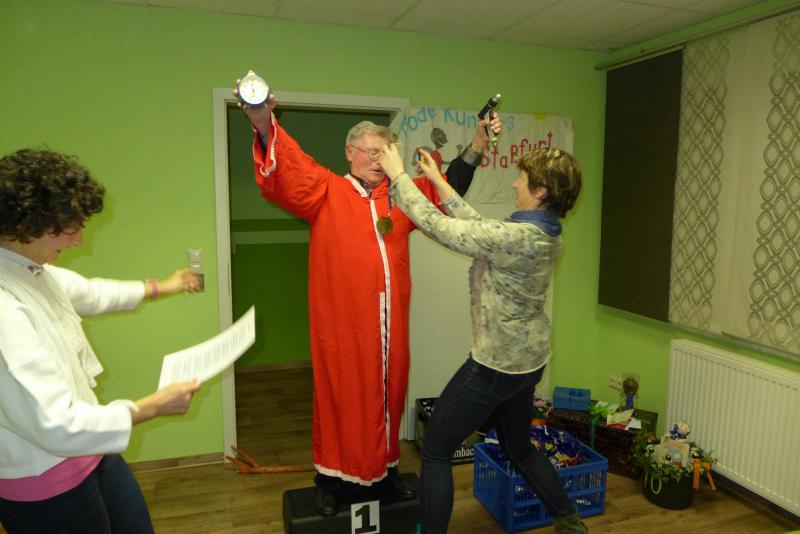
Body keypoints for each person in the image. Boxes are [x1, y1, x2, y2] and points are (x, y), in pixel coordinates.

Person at [238, 87, 501, 515]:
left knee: (389, 399)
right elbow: (290, 169)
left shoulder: (400, 198)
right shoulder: (325, 191)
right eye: (372, 152)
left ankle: (386, 474)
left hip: (390, 329)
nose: (380, 160)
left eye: (386, 153)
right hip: (343, 329)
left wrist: (477, 143)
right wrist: (264, 123)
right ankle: (330, 481)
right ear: (350, 153)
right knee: (340, 400)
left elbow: (444, 189)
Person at [378, 144, 587, 533]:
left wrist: (399, 177)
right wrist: (438, 180)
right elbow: (479, 226)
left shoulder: (517, 237)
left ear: (541, 191)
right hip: (528, 362)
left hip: (496, 366)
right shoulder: (546, 233)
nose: (514, 184)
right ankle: (570, 522)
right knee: (519, 448)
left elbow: (441, 228)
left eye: (522, 179)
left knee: (436, 450)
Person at [0, 149, 202, 534]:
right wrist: (150, 407)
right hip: (45, 486)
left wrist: (162, 286)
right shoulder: (4, 304)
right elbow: (55, 424)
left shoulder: (31, 271)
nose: (79, 240)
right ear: (26, 225)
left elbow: (91, 293)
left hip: (93, 452)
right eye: (70, 228)